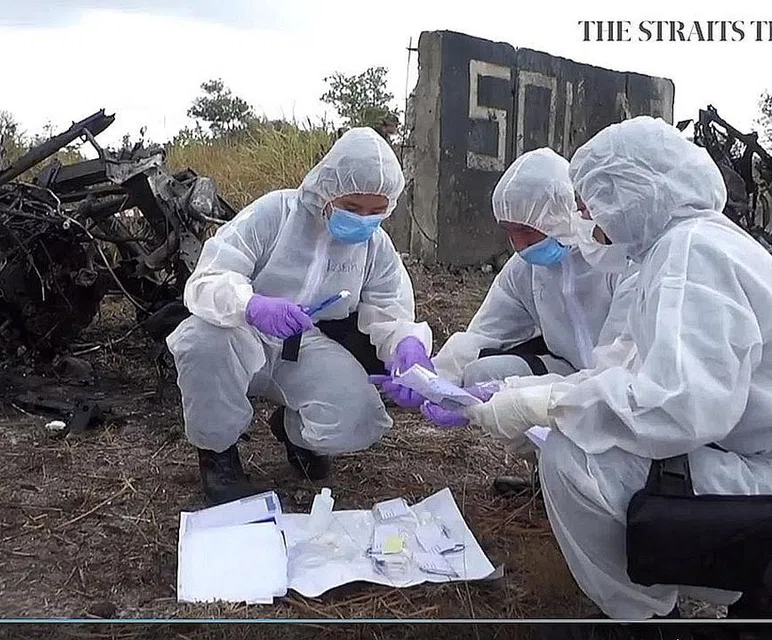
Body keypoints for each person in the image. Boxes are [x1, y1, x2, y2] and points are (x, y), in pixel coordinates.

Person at [426, 116, 772, 625]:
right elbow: (621, 366)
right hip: (746, 455)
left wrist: (543, 404)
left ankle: (645, 620)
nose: (589, 222)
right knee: (583, 438)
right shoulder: (677, 250)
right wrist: (518, 390)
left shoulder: (691, 254)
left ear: (629, 194)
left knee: (578, 459)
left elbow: (680, 406)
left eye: (592, 207)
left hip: (757, 473)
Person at [166, 127, 433, 506]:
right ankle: (218, 454)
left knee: (361, 419)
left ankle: (293, 432)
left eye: (376, 211)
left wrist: (407, 344)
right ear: (328, 188)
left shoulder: (374, 245)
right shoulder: (276, 213)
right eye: (353, 207)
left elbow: (390, 306)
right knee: (202, 340)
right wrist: (252, 305)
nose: (363, 220)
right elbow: (208, 277)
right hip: (242, 333)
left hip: (305, 344)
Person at [428, 147, 632, 494]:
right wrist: (436, 379)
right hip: (568, 374)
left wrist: (527, 397)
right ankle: (547, 480)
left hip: (622, 385)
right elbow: (485, 332)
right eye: (510, 232)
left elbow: (625, 365)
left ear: (560, 216)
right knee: (484, 374)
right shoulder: (526, 269)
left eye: (528, 231)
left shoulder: (612, 260)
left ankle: (602, 487)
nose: (519, 245)